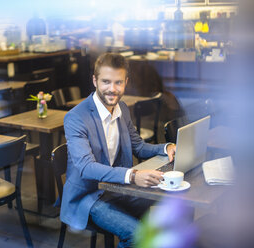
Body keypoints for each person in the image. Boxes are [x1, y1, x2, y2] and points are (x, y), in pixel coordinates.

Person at [61, 53, 176, 247]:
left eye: (118, 83)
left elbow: (138, 147)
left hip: (117, 190)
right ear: (95, 80)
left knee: (176, 206)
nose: (112, 89)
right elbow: (87, 168)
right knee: (137, 235)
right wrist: (133, 176)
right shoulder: (76, 117)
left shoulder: (122, 108)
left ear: (126, 82)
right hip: (88, 198)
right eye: (106, 82)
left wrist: (167, 147)